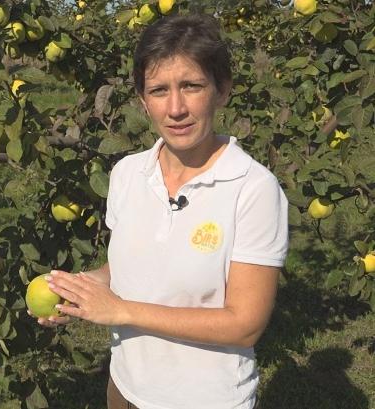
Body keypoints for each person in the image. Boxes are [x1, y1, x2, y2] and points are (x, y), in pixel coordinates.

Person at [33, 14, 288, 409]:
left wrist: (119, 311)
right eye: (158, 90)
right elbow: (129, 269)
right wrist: (81, 290)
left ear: (222, 91)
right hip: (124, 389)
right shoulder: (127, 173)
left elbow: (245, 324)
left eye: (191, 86)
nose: (175, 108)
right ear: (142, 100)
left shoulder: (252, 188)